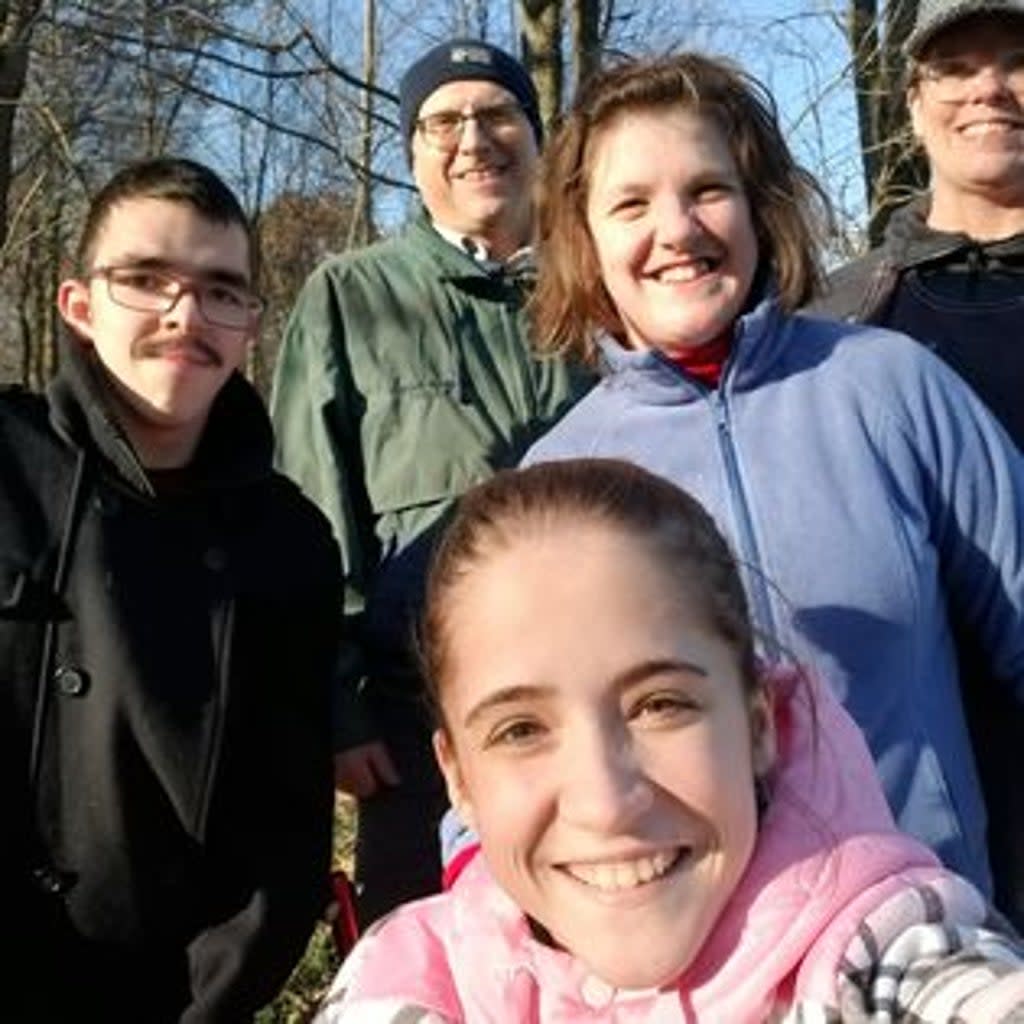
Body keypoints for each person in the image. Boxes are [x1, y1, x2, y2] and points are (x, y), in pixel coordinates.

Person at [482, 52, 1024, 903]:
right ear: (584, 240)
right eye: (630, 204)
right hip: (695, 954)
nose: (677, 230)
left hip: (928, 929)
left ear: (757, 208)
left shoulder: (893, 384)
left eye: (707, 189)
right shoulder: (559, 477)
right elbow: (507, 743)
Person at [315, 458, 1024, 1021]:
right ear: (457, 779)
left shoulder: (885, 952)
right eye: (521, 729)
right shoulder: (411, 976)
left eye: (660, 704)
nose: (606, 803)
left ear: (756, 724)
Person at [2, 157, 341, 1021]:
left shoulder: (290, 542)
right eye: (146, 280)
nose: (186, 314)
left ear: (251, 328)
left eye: (221, 290)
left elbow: (284, 837)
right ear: (78, 305)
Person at [270, 38, 591, 926]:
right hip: (413, 730)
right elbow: (307, 514)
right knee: (428, 960)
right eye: (442, 121)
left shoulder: (600, 284)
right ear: (412, 152)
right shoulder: (350, 296)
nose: (472, 139)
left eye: (497, 114)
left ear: (538, 137)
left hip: (592, 711)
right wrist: (339, 709)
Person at [812, 0, 1024, 928]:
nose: (990, 87)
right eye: (957, 65)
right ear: (913, 102)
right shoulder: (832, 326)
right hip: (910, 831)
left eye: (1018, 59)